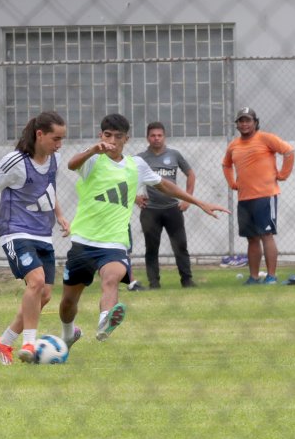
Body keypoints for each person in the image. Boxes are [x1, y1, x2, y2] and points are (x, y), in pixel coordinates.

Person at [59, 114, 227, 346]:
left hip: (114, 242)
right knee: (68, 301)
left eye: (118, 137)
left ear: (126, 139)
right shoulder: (93, 160)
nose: (112, 141)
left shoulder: (135, 165)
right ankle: (68, 333)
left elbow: (164, 185)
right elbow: (71, 164)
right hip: (84, 240)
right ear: (101, 136)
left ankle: (105, 321)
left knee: (111, 278)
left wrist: (199, 202)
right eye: (108, 135)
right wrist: (91, 150)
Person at [0, 111, 68, 365]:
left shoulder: (54, 160)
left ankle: (3, 343)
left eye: (62, 139)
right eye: (56, 138)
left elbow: (48, 191)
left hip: (43, 233)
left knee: (45, 294)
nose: (59, 145)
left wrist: (60, 216)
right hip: (15, 230)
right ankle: (29, 343)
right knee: (36, 282)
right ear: (40, 135)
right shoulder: (15, 161)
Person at [222, 107, 295, 285]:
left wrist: (283, 174)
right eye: (241, 121)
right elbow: (226, 165)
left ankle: (271, 276)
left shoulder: (266, 138)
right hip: (244, 198)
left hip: (265, 196)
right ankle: (253, 277)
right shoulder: (234, 145)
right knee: (252, 238)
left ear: (255, 122)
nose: (244, 124)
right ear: (237, 124)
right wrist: (232, 182)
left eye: (248, 120)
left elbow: (289, 151)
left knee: (266, 235)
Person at [136, 121, 198, 289]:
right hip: (150, 211)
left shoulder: (175, 155)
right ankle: (154, 283)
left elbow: (191, 175)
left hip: (173, 209)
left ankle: (187, 281)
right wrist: (135, 197)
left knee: (181, 246)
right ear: (147, 138)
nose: (156, 139)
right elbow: (127, 179)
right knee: (151, 249)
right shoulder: (140, 158)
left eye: (159, 135)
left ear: (164, 137)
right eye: (153, 135)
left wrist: (187, 199)